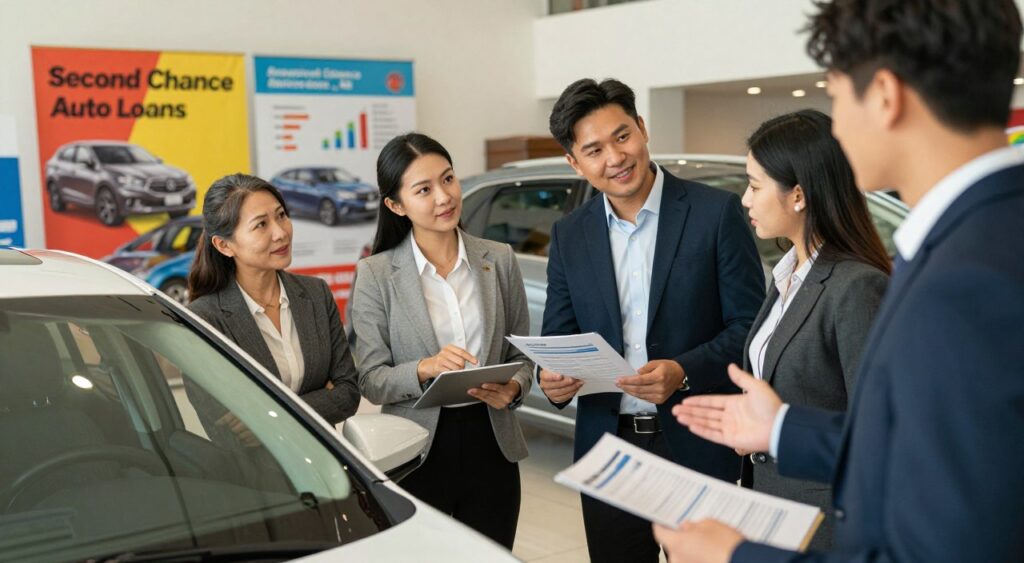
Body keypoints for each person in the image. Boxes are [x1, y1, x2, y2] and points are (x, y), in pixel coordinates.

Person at [658, 1, 1024, 562]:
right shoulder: (978, 238)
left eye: (834, 93)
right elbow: (917, 450)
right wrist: (784, 431)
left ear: (883, 94)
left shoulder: (961, 286)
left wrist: (738, 557)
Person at [538, 78, 766, 562]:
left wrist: (683, 371)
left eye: (623, 137)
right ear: (574, 163)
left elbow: (749, 327)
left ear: (642, 128)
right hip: (609, 448)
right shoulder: (569, 234)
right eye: (594, 150)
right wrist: (551, 379)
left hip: (701, 440)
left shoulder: (715, 212)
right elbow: (558, 336)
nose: (615, 158)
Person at [350, 133, 533, 549]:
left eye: (448, 179)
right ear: (396, 206)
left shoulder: (498, 259)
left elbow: (522, 354)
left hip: (492, 441)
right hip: (415, 448)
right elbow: (371, 379)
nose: (444, 196)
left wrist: (515, 387)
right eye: (424, 189)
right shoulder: (376, 275)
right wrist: (424, 368)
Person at [738, 109, 890, 551]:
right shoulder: (787, 273)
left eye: (754, 186)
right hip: (770, 504)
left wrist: (777, 429)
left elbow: (875, 432)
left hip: (825, 524)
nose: (745, 200)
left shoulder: (858, 287)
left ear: (799, 195)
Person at [187, 173, 360, 428]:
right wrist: (321, 398)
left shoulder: (316, 294)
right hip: (255, 468)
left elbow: (348, 393)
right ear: (224, 245)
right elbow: (223, 427)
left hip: (326, 461)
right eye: (261, 225)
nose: (280, 233)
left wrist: (270, 414)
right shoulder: (205, 319)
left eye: (281, 216)